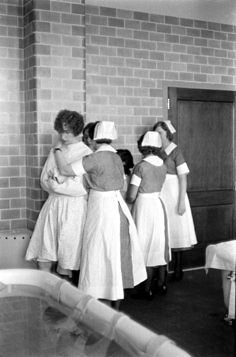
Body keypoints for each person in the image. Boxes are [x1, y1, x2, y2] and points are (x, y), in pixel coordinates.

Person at [54, 121, 147, 309]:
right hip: (117, 209)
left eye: (88, 137)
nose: (87, 141)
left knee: (97, 253)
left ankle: (95, 306)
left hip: (101, 210)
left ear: (94, 138)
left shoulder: (95, 157)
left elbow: (65, 169)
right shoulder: (115, 156)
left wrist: (57, 151)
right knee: (115, 255)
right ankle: (115, 305)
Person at [25, 110, 92, 283]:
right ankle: (46, 295)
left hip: (74, 209)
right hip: (53, 205)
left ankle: (66, 299)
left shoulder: (86, 153)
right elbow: (43, 180)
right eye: (60, 131)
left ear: (77, 130)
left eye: (67, 131)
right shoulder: (56, 150)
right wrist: (59, 183)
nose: (63, 135)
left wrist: (55, 183)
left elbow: (80, 188)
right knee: (45, 252)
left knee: (68, 255)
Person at [126, 131, 170, 299]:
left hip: (143, 206)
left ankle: (145, 288)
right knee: (158, 243)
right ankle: (161, 283)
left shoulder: (140, 167)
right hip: (158, 204)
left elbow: (131, 195)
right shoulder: (163, 165)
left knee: (143, 243)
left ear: (144, 146)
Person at [153, 120, 197, 281]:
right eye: (156, 133)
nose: (158, 136)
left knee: (177, 229)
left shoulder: (176, 151)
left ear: (167, 134)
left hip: (174, 192)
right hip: (161, 192)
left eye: (160, 133)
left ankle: (178, 268)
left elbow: (183, 177)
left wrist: (181, 202)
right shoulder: (156, 151)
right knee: (163, 230)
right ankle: (162, 271)